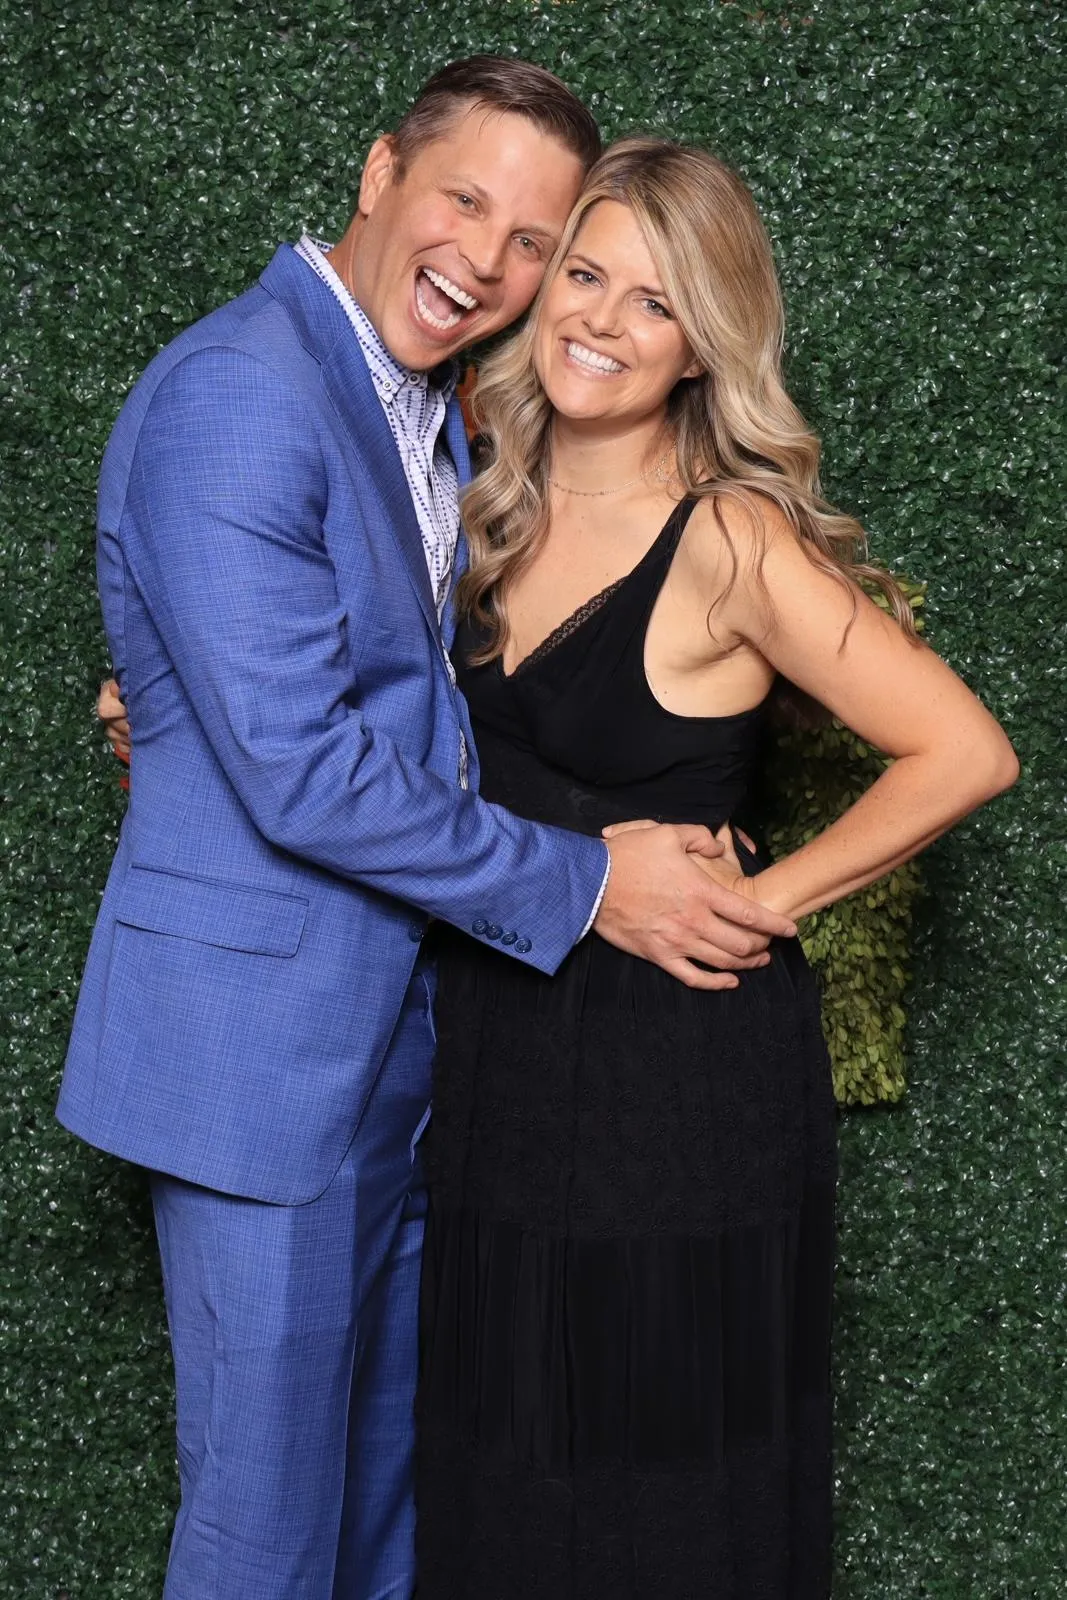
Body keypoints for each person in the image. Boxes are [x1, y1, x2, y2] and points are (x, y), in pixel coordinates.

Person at [61, 59, 798, 1600]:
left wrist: (170, 713)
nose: (493, 259)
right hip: (260, 1068)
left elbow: (415, 693)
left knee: (398, 1513)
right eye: (465, 198)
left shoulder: (436, 420)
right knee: (267, 1531)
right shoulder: (239, 390)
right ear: (378, 170)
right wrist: (592, 877)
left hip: (417, 1053)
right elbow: (305, 771)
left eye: (539, 242)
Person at [410, 140, 1020, 1597]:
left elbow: (962, 751)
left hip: (671, 1074)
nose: (600, 322)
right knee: (499, 1468)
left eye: (655, 303)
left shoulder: (731, 538)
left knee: (655, 1482)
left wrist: (764, 899)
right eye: (584, 274)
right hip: (497, 1047)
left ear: (703, 349)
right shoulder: (473, 492)